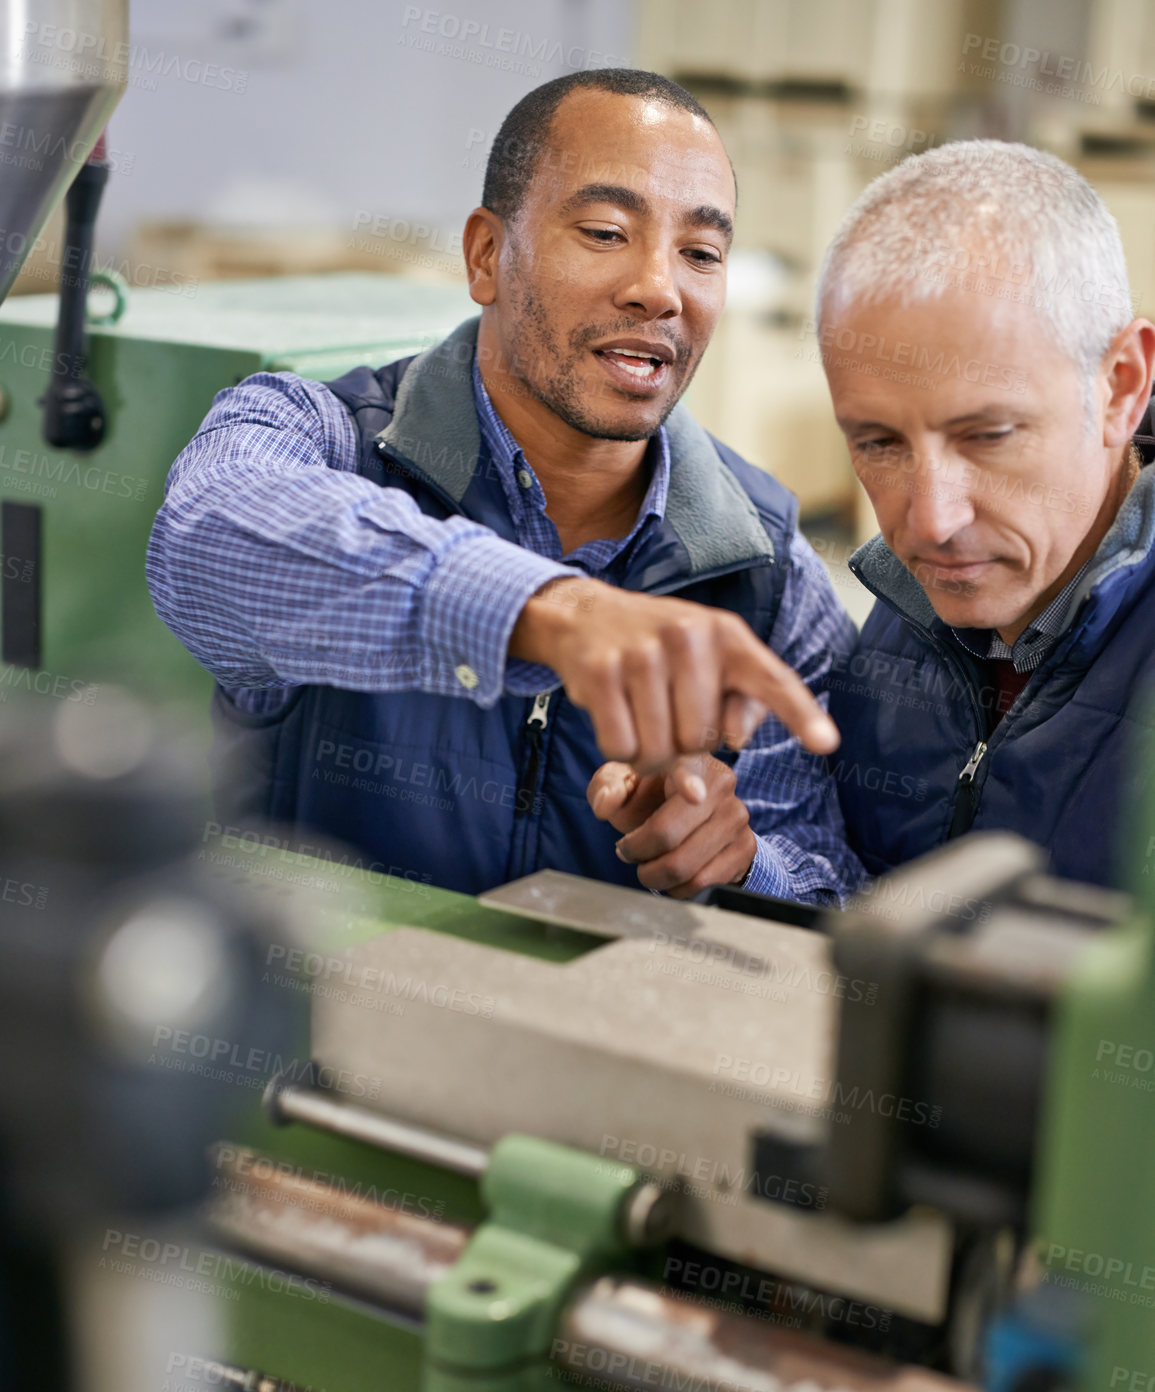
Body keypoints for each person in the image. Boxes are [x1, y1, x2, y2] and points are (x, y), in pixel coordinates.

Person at [147, 69, 864, 903]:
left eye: (700, 253)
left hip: (583, 1032)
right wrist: (550, 612)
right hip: (315, 1020)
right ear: (486, 255)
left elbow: (829, 897)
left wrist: (735, 864)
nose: (659, 289)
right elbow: (204, 536)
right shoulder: (320, 435)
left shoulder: (768, 573)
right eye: (604, 231)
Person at [818, 140, 1155, 888]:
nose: (931, 521)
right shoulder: (900, 617)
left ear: (1120, 386)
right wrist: (751, 863)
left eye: (988, 436)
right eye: (877, 442)